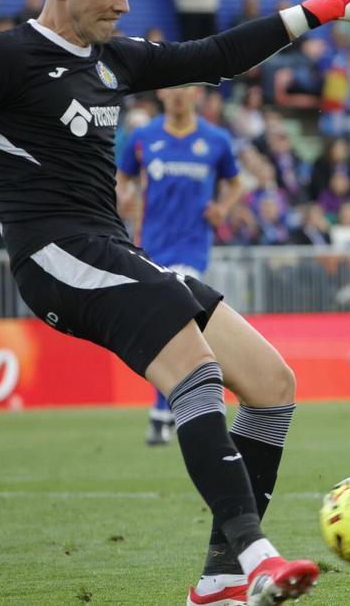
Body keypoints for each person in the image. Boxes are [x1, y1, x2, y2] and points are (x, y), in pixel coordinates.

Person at [0, 0, 350, 604]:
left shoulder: (113, 58)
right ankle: (258, 558)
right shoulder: (5, 58)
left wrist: (324, 7)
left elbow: (215, 57)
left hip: (117, 252)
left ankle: (219, 579)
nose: (123, 3)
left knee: (272, 384)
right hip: (55, 257)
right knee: (195, 369)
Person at [116, 85, 242, 447]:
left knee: (174, 326)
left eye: (185, 87)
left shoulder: (216, 140)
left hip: (192, 249)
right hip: (151, 247)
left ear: (197, 93)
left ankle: (163, 415)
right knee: (168, 334)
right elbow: (123, 176)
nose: (178, 94)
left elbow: (235, 183)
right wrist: (123, 196)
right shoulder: (143, 137)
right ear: (160, 92)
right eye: (172, 87)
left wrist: (222, 208)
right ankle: (173, 410)